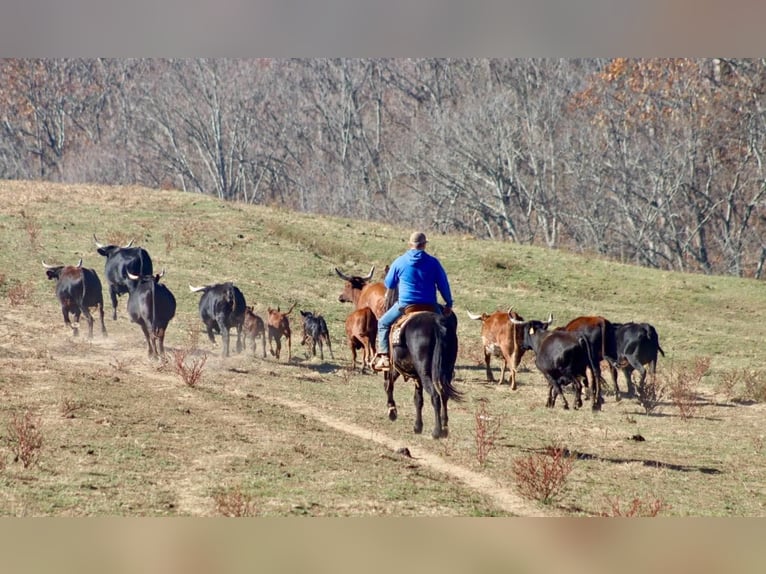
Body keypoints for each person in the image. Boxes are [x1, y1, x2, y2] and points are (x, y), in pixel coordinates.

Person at [371, 231, 454, 372]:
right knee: (447, 327)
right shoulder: (434, 263)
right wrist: (448, 303)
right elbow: (443, 285)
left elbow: (389, 283)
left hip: (405, 306)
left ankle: (384, 357)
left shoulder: (399, 261)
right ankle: (448, 361)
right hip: (430, 306)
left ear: (410, 244)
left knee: (383, 323)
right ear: (424, 245)